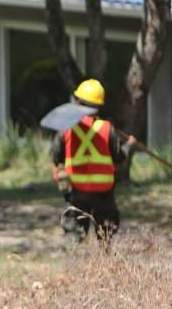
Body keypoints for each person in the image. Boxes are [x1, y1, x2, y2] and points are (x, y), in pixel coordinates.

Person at [50, 79, 136, 244]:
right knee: (106, 236)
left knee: (74, 237)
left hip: (77, 191)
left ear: (78, 101)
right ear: (99, 105)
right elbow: (119, 157)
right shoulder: (107, 128)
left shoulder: (67, 128)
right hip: (104, 193)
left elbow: (55, 156)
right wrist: (130, 145)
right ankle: (104, 258)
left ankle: (75, 256)